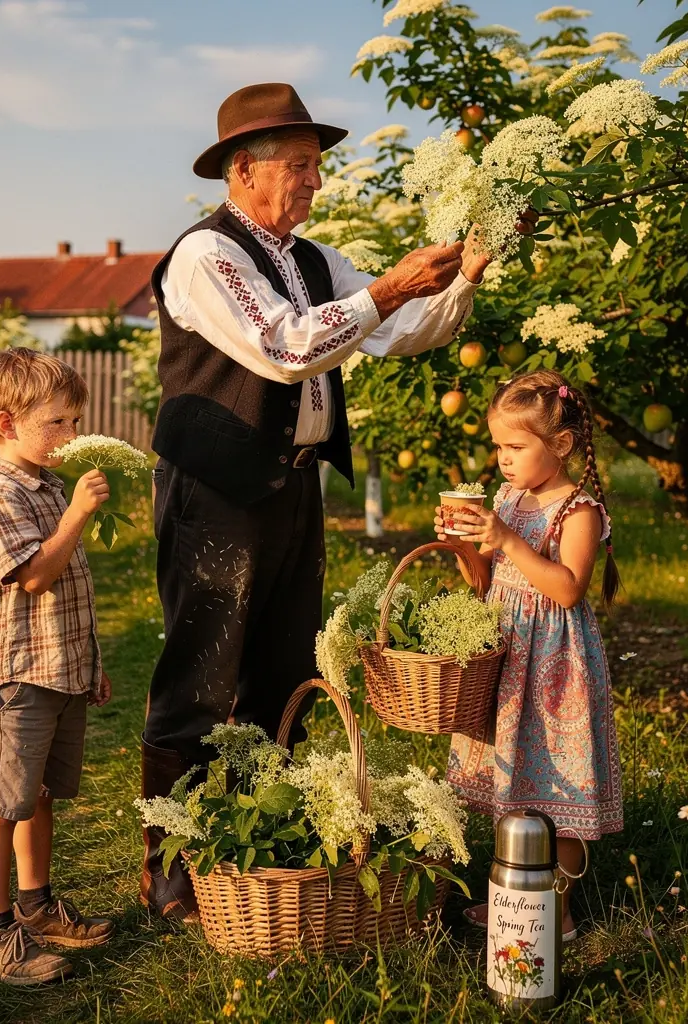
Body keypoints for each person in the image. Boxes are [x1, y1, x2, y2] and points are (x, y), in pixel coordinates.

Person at [141, 81, 537, 922]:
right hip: (215, 488)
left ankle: (257, 835)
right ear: (244, 170)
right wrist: (389, 288)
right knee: (203, 672)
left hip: (292, 483)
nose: (316, 180)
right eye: (300, 165)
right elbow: (285, 348)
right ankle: (169, 861)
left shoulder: (313, 260)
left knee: (284, 666)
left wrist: (467, 269)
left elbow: (400, 331)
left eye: (316, 165)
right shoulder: (206, 255)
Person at [434, 370, 623, 941]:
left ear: (560, 444)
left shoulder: (578, 510)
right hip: (507, 659)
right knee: (512, 787)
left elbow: (568, 589)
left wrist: (509, 540)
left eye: (516, 447)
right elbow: (485, 581)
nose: (504, 459)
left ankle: (556, 913)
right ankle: (516, 901)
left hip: (555, 668)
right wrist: (463, 546)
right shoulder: (508, 499)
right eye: (498, 447)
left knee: (557, 796)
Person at [0, 348, 116, 985]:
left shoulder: (47, 487)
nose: (71, 434)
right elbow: (34, 577)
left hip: (56, 669)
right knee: (2, 803)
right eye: (57, 422)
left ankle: (36, 906)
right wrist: (79, 512)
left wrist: (90, 662)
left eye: (75, 421)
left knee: (39, 796)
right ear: (6, 425)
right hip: (15, 678)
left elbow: (75, 588)